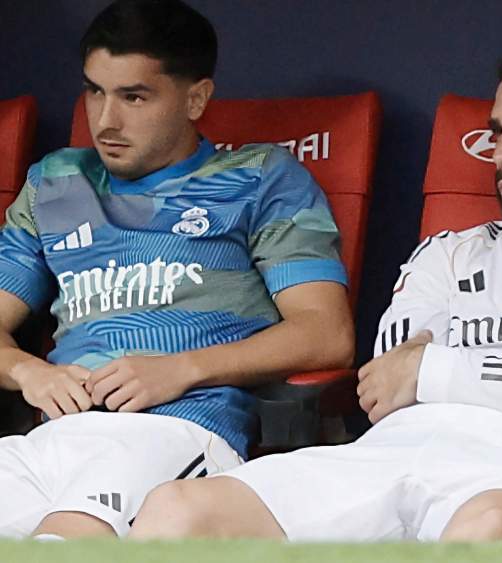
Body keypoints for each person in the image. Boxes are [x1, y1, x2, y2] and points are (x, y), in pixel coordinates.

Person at [127, 39, 502, 542]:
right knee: (176, 511)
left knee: (480, 531)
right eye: (496, 131)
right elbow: (389, 381)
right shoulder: (449, 251)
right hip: (385, 453)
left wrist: (434, 371)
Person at [0, 0, 354, 539]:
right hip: (54, 437)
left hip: (178, 431)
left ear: (196, 98)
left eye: (134, 97)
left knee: (68, 538)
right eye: (94, 90)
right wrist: (29, 371)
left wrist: (181, 369)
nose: (105, 120)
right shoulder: (56, 181)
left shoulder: (261, 177)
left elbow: (325, 334)